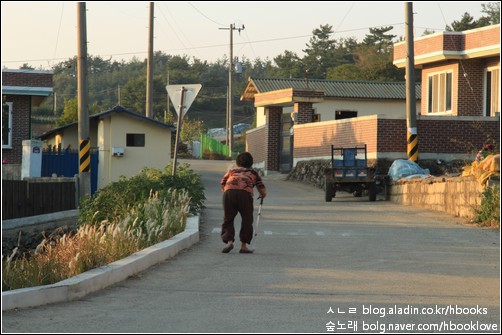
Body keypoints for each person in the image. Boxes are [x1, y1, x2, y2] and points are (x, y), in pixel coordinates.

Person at [220, 152, 266, 254]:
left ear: (237, 163)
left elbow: (223, 181)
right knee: (247, 219)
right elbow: (260, 185)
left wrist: (227, 191)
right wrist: (262, 194)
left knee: (228, 217)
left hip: (229, 192)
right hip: (245, 194)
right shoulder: (253, 172)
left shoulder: (232, 171)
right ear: (251, 163)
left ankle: (229, 241)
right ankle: (243, 246)